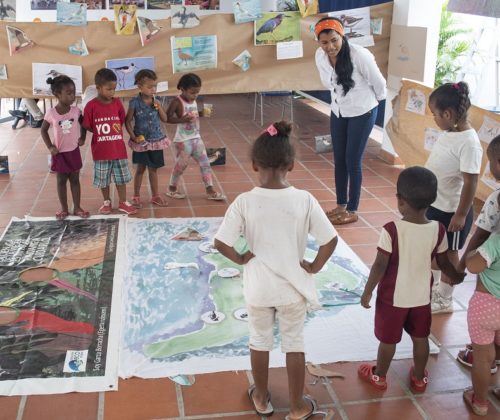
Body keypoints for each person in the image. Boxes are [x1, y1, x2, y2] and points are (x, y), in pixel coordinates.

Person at [214, 121, 337, 419]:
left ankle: (261, 396)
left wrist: (241, 258)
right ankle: (297, 406)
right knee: (294, 344)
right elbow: (330, 240)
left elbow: (221, 242)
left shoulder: (244, 201)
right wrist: (314, 266)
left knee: (259, 340)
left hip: (258, 287)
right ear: (291, 164)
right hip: (292, 288)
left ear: (254, 164)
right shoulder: (304, 199)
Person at [359, 167, 464, 392]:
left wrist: (368, 290)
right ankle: (419, 378)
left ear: (400, 200)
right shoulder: (438, 229)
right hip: (421, 299)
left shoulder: (391, 230)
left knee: (388, 341)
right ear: (433, 200)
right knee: (420, 338)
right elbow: (444, 263)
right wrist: (456, 276)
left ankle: (379, 376)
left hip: (392, 300)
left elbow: (379, 265)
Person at [314, 17, 386, 225]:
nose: (330, 47)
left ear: (342, 35)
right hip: (339, 111)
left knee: (352, 161)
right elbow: (329, 84)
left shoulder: (359, 55)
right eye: (324, 42)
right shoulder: (320, 56)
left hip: (362, 111)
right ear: (319, 42)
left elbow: (379, 85)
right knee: (339, 160)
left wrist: (373, 105)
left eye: (334, 40)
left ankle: (353, 209)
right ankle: (340, 205)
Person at [425, 81, 483, 313]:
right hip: (436, 205)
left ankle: (445, 298)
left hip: (453, 212)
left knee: (450, 254)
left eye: (435, 115)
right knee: (436, 250)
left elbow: (471, 182)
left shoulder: (469, 143)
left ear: (448, 114)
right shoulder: (449, 132)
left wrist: (460, 215)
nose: (434, 119)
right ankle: (436, 290)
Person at [455, 135, 500, 372]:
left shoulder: (495, 199)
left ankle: (483, 355)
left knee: (485, 323)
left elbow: (479, 236)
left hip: (491, 285)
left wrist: (461, 266)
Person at [82, 68, 137, 215]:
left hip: (118, 150)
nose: (112, 92)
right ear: (98, 88)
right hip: (101, 152)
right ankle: (106, 202)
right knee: (103, 179)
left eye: (114, 89)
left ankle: (123, 202)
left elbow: (120, 120)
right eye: (109, 89)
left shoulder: (117, 103)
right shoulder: (91, 106)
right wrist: (100, 131)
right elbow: (87, 125)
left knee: (121, 178)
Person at [166, 73, 224, 201]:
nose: (195, 95)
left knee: (205, 163)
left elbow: (193, 114)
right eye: (192, 92)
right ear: (183, 89)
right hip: (183, 140)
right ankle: (171, 188)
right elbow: (167, 118)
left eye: (197, 92)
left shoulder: (193, 100)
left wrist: (201, 113)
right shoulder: (177, 102)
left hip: (196, 137)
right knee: (181, 165)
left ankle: (210, 189)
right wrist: (182, 119)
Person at [40, 75, 89, 220]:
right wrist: (50, 147)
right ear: (57, 94)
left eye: (73, 92)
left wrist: (83, 137)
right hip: (59, 153)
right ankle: (64, 209)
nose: (72, 96)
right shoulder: (51, 113)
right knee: (61, 181)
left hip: (73, 151)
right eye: (68, 93)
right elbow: (43, 130)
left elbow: (84, 124)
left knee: (75, 179)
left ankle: (77, 207)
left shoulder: (76, 111)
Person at [463, 231, 500, 416]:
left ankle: (480, 403)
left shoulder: (495, 243)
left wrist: (472, 253)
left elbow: (474, 266)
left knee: (483, 359)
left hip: (486, 308)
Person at [125, 69, 171, 208]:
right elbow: (127, 121)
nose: (153, 89)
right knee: (140, 169)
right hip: (142, 142)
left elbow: (165, 119)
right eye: (150, 87)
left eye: (154, 86)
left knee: (153, 169)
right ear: (140, 86)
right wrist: (133, 137)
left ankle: (155, 196)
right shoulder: (134, 103)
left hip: (156, 140)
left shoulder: (155, 101)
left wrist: (159, 108)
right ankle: (136, 196)